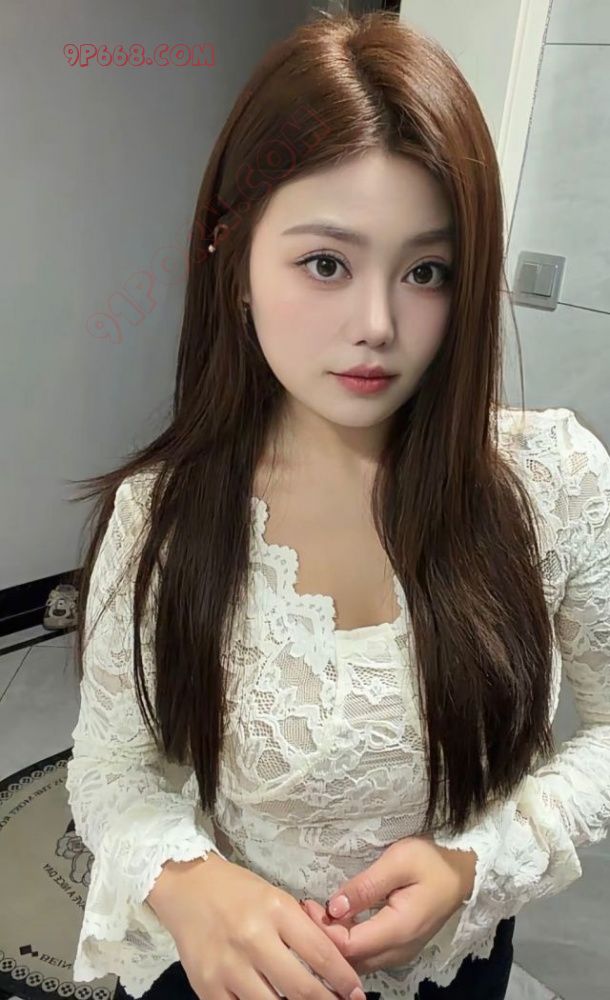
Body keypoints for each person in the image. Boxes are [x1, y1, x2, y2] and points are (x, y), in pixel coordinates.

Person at [64, 9, 610, 1000]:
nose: (377, 324)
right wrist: (186, 882)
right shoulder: (164, 516)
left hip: (451, 965)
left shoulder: (553, 480)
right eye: (326, 263)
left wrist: (474, 864)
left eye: (427, 271)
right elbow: (110, 772)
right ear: (232, 261)